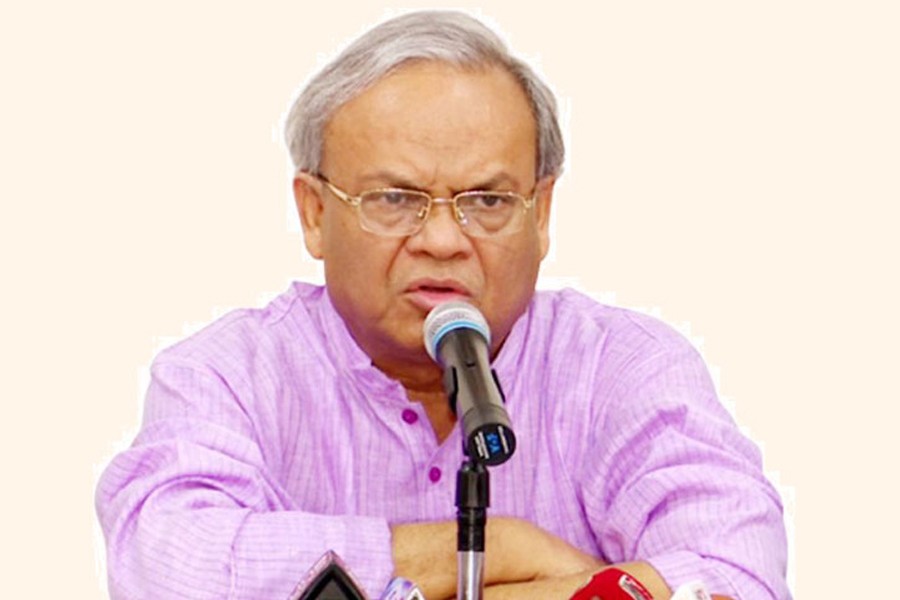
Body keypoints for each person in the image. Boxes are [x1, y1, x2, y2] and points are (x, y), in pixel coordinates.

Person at [96, 10, 789, 600]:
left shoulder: (622, 368)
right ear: (314, 213)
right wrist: (502, 549)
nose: (442, 240)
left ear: (541, 212)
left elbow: (736, 578)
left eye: (486, 201)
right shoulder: (226, 376)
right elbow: (167, 566)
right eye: (395, 199)